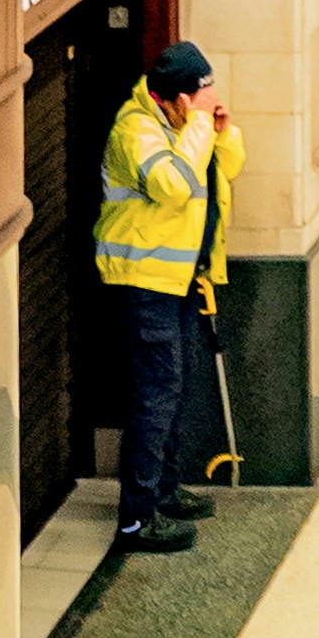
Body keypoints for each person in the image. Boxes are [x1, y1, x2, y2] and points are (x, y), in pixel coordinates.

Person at [94, 36, 246, 554]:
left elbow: (227, 168)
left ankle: (164, 489)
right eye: (199, 99)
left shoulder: (182, 126)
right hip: (143, 283)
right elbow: (172, 185)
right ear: (176, 99)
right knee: (155, 399)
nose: (205, 105)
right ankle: (136, 521)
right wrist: (202, 127)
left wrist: (218, 132)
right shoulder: (135, 129)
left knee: (173, 390)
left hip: (178, 280)